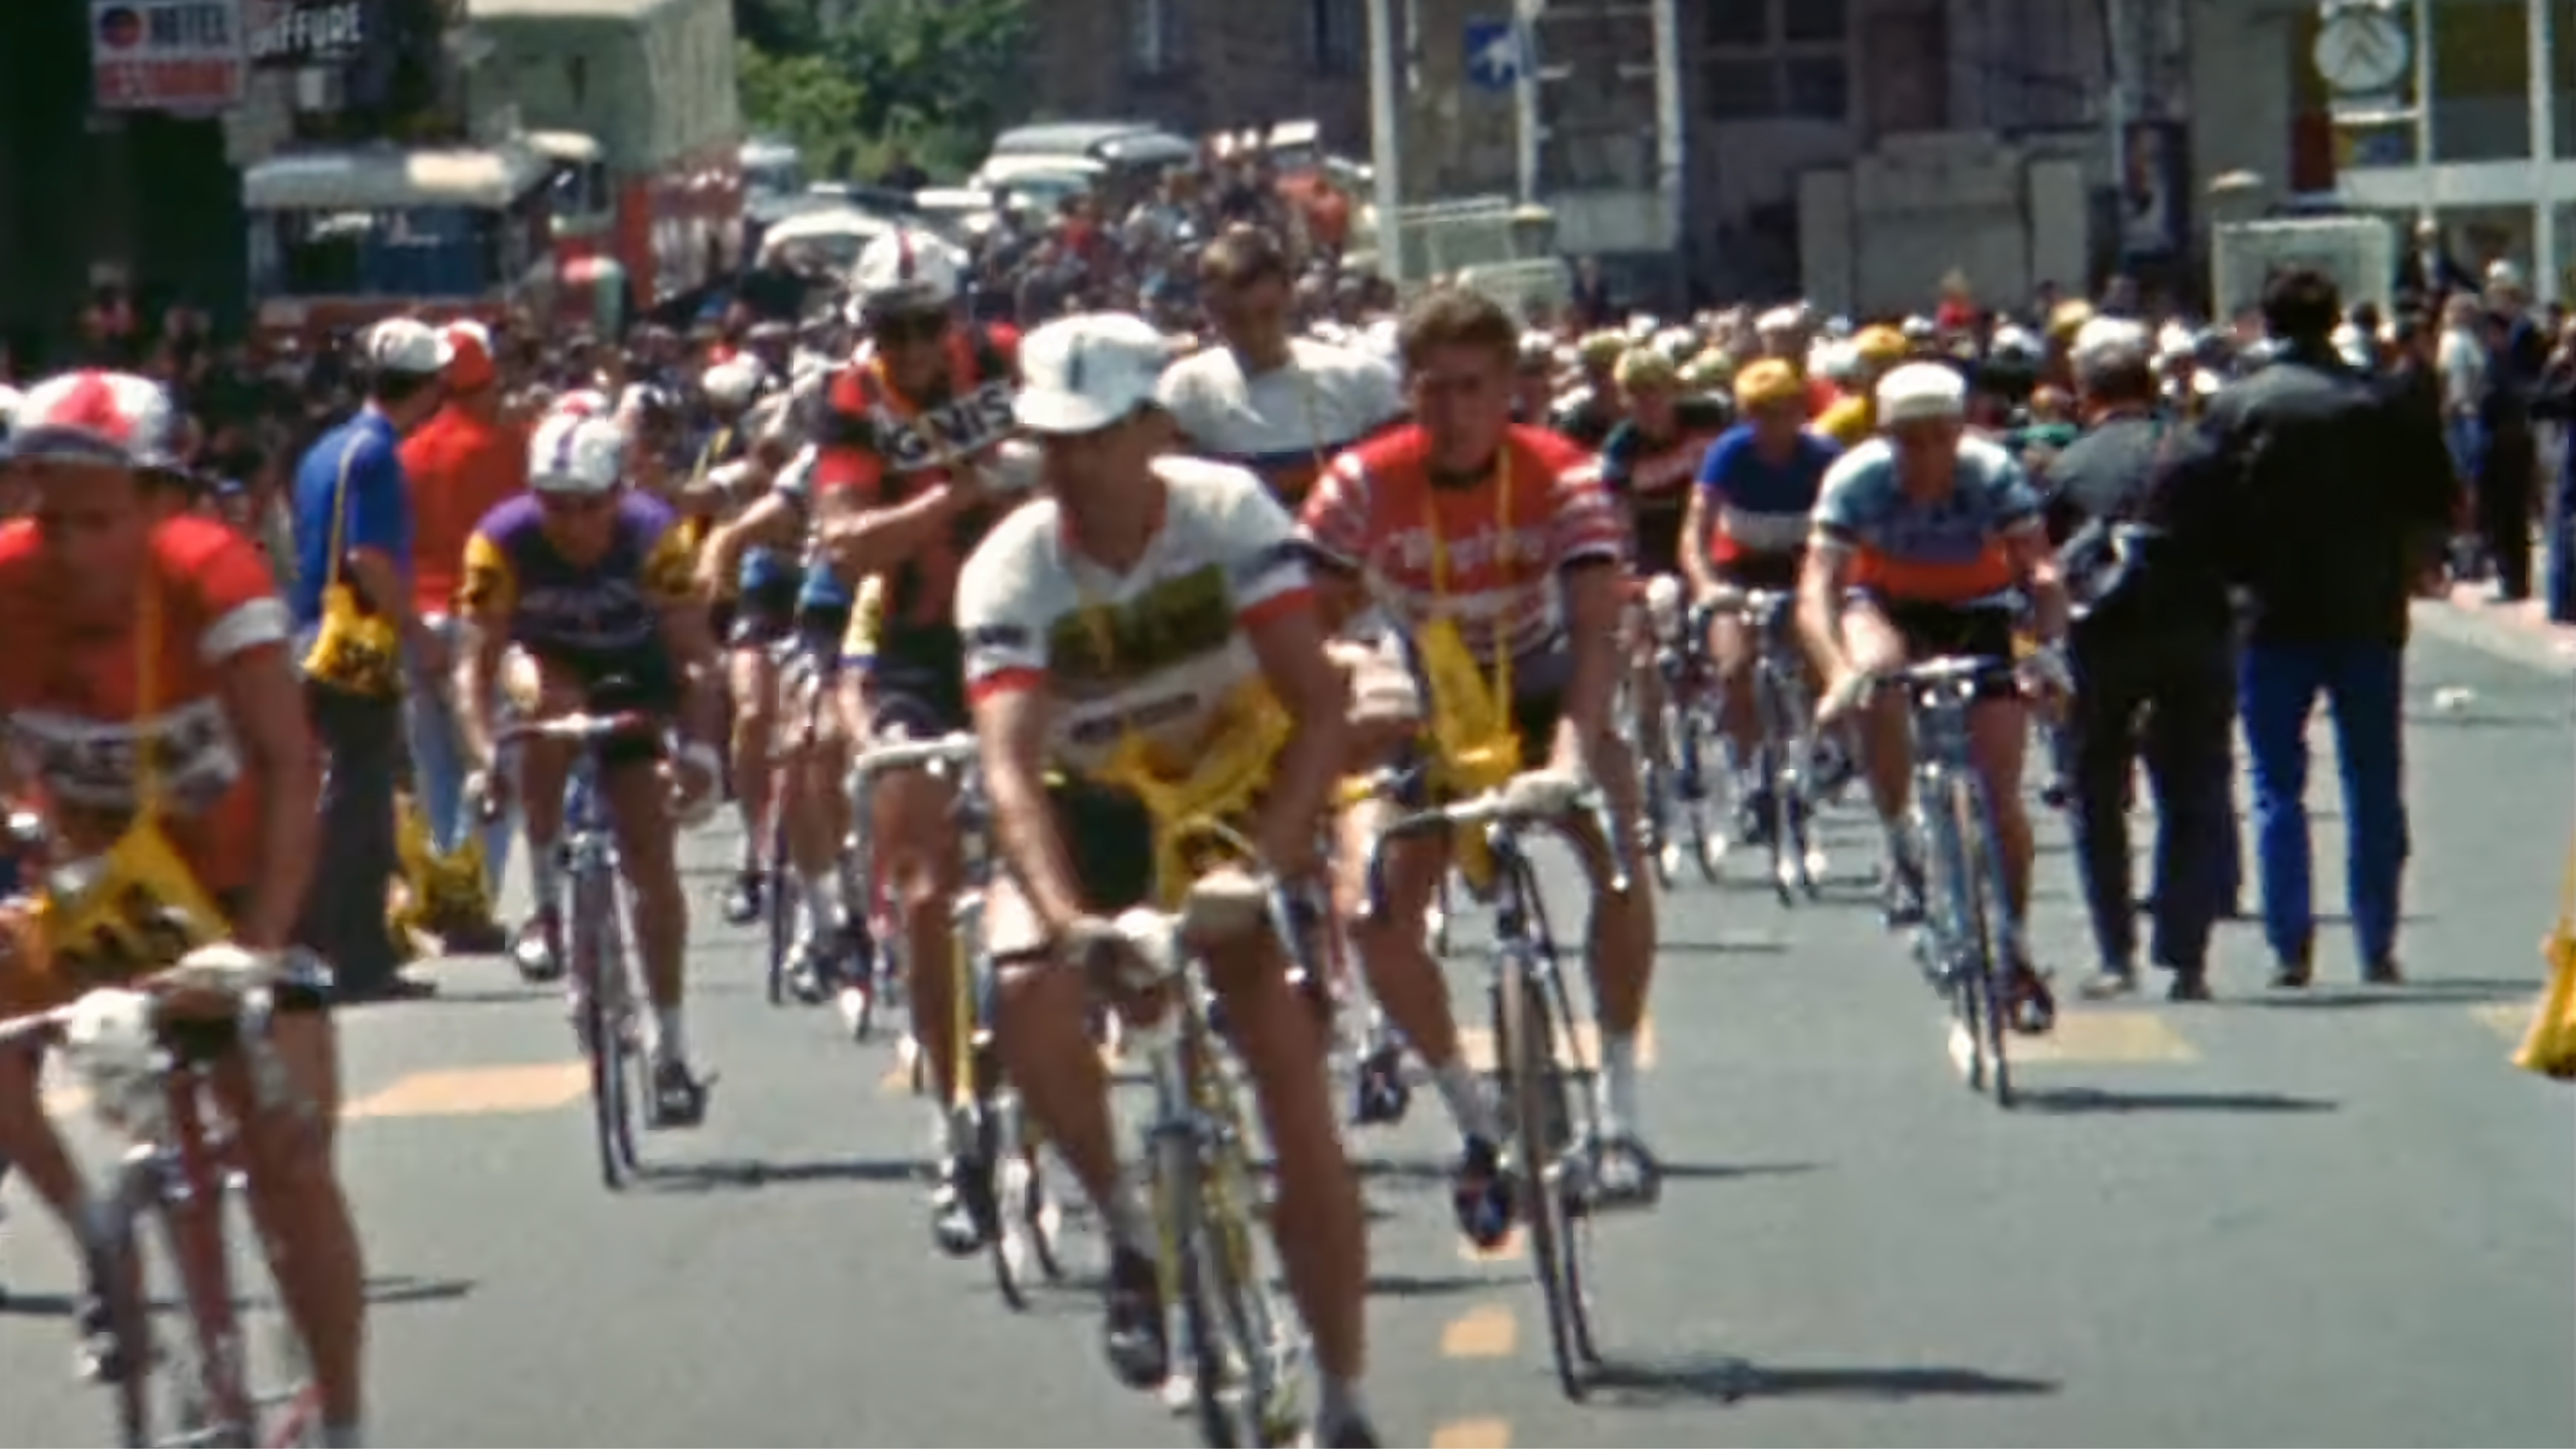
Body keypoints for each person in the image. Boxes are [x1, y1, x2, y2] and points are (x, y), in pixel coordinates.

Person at [956, 312, 1375, 1445]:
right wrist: (1067, 919)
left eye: (1098, 437)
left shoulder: (1227, 513)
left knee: (1293, 1090)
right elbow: (1008, 772)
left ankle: (1344, 1395)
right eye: (1054, 440)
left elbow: (1319, 702)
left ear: (1156, 428)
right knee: (1021, 982)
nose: (1074, 464)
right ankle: (1128, 1228)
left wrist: (1267, 863)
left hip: (1233, 789)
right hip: (1094, 804)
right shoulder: (1011, 566)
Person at [0, 370, 370, 1448]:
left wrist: (259, 948)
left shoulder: (215, 578)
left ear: (160, 504)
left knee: (286, 1154)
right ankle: (101, 1238)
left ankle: (343, 1413)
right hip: (106, 887)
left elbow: (293, 765)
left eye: (99, 521)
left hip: (251, 883)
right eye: (50, 519)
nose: (71, 548)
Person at [1304, 287, 1663, 1249]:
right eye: (1433, 389)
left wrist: (1571, 759)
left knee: (1618, 856)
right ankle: (1476, 1120)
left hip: (1544, 678)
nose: (1454, 411)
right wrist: (1353, 676)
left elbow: (1599, 635)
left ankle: (1618, 1110)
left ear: (1511, 388)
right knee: (1375, 911)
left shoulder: (1564, 474)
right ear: (1405, 390)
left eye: (1473, 388)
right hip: (1425, 691)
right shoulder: (1360, 482)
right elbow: (1298, 626)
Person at [2157, 266, 2455, 986]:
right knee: (2373, 778)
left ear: (2269, 321)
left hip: (2270, 612)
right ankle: (2377, 939)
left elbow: (2193, 501)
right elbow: (2434, 496)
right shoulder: (2379, 401)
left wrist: (2222, 577)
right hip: (2366, 608)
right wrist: (2416, 562)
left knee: (2276, 782)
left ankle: (2290, 942)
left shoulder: (2236, 407)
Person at [811, 226, 1026, 1207]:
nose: (909, 348)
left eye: (926, 325)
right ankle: (953, 1113)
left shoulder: (1011, 362)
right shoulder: (853, 400)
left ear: (959, 318)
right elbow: (849, 544)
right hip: (918, 645)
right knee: (925, 883)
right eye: (888, 329)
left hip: (1027, 627)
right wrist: (957, 494)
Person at [451, 412, 724, 1123]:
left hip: (638, 673)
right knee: (549, 709)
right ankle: (545, 904)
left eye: (588, 505)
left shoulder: (654, 535)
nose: (571, 523)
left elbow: (697, 660)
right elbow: (473, 667)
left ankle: (671, 1047)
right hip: (548, 663)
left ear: (618, 495)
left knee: (650, 861)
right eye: (554, 504)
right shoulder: (502, 540)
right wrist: (486, 759)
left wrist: (697, 753)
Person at [1800, 361, 2070, 1031]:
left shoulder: (1991, 471)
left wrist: (2046, 652)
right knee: (1877, 672)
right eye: (1908, 441)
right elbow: (1818, 587)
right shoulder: (1857, 478)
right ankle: (1900, 837)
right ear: (1885, 438)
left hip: (1978, 607)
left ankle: (2013, 941)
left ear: (1960, 432)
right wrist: (1837, 672)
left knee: (2001, 793)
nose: (1925, 456)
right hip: (1884, 603)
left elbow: (2040, 569)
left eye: (1939, 439)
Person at [2042, 323, 2235, 1001]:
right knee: (2191, 790)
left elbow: (2044, 563)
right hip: (2194, 632)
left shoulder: (2070, 465)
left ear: (2085, 393)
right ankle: (2186, 956)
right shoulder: (2197, 451)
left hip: (2102, 638)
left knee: (2095, 793)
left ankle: (2114, 953)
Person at [285, 319, 450, 1001]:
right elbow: (369, 557)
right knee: (361, 801)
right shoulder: (380, 455)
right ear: (429, 388)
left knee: (335, 792)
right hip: (354, 646)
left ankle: (321, 942)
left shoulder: (325, 447)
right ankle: (353, 956)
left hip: (305, 635)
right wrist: (416, 629)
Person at [393, 321, 523, 950]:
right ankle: (477, 898)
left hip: (417, 621)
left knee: (435, 773)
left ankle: (444, 888)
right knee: (495, 763)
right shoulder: (506, 448)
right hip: (480, 622)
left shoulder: (406, 453)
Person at [1156, 226, 1403, 508]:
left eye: (1267, 314)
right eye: (1235, 319)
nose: (1256, 334)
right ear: (1210, 311)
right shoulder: (1188, 392)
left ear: (1289, 295)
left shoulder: (1360, 380)